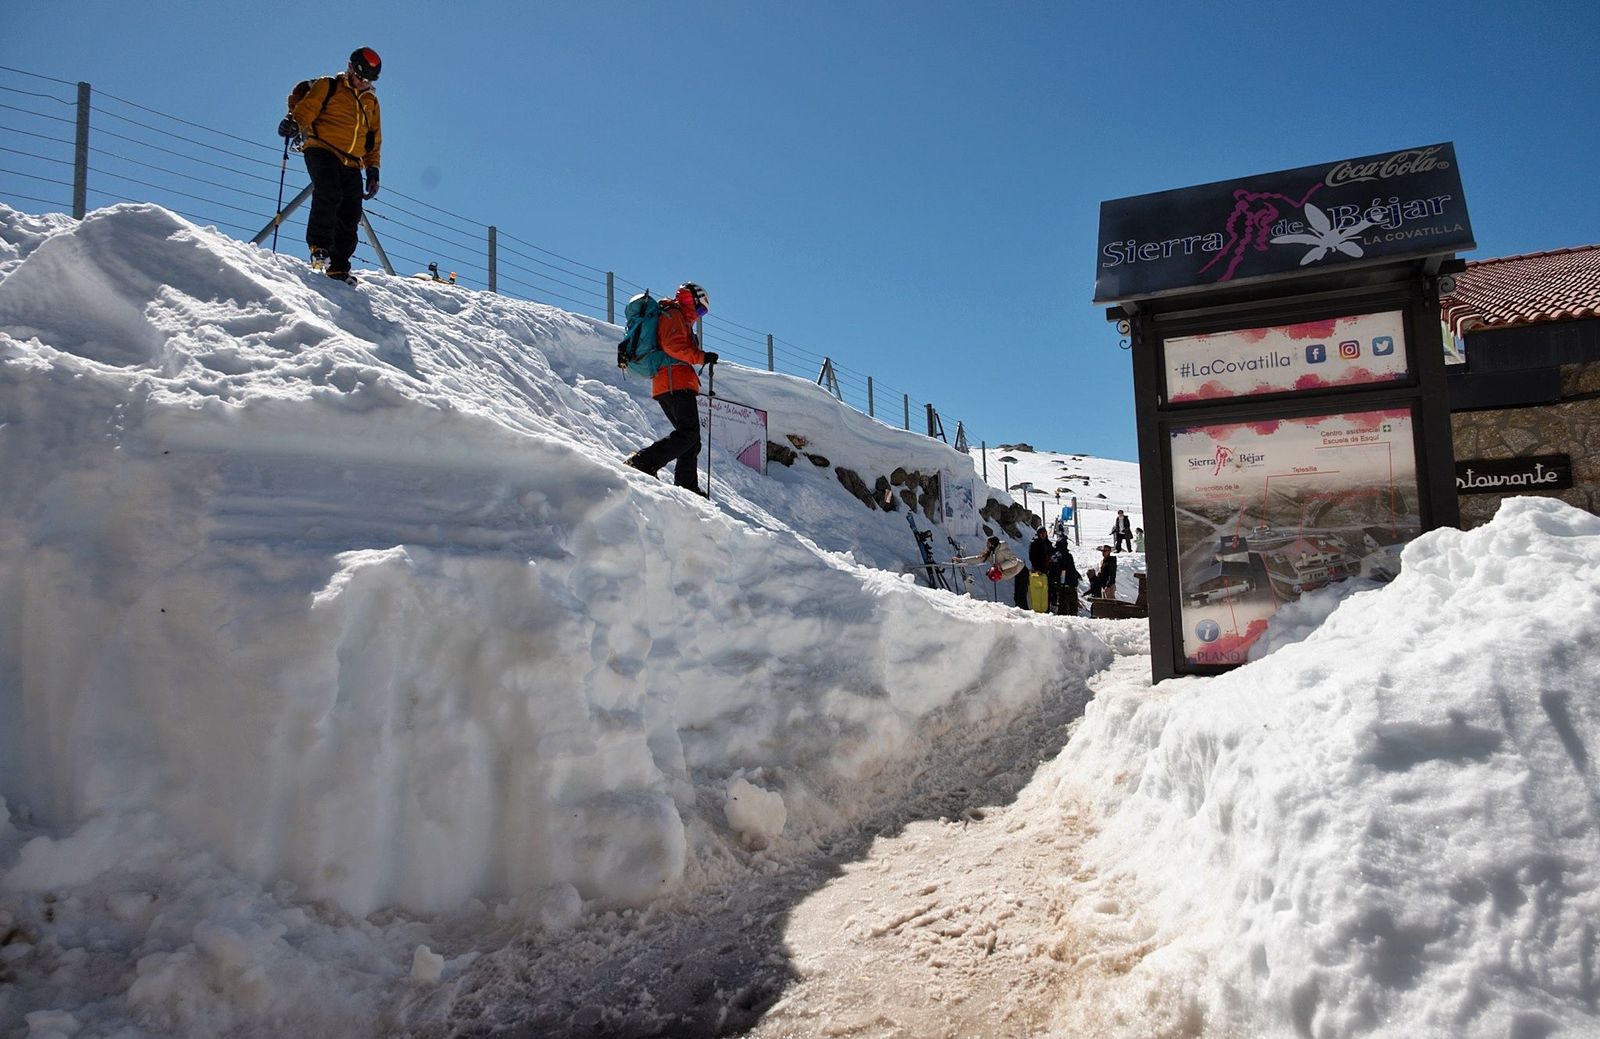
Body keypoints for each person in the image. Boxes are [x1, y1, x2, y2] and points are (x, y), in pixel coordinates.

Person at [280, 48, 384, 282]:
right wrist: (295, 124)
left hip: (353, 160)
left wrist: (373, 170)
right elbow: (308, 109)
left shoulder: (371, 103)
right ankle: (319, 248)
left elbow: (374, 139)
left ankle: (338, 267)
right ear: (350, 67)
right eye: (360, 76)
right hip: (322, 148)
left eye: (369, 79)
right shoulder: (329, 86)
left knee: (351, 210)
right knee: (329, 191)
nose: (363, 82)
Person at [624, 283, 716, 495]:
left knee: (691, 438)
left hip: (674, 382)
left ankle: (687, 486)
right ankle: (643, 462)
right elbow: (673, 347)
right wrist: (702, 356)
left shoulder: (679, 318)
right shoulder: (673, 314)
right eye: (700, 309)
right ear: (690, 299)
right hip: (674, 381)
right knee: (688, 433)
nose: (699, 315)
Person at [955, 535, 1028, 609]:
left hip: (1021, 570)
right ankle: (1020, 612)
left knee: (1020, 595)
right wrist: (962, 560)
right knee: (1017, 596)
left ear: (993, 544)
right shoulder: (991, 552)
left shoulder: (1003, 550)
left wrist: (1000, 566)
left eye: (988, 543)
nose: (987, 545)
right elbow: (979, 558)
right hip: (1014, 572)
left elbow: (1014, 561)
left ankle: (1025, 613)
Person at [1051, 530, 1079, 615]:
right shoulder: (1067, 556)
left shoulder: (1054, 556)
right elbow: (1072, 570)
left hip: (1057, 584)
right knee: (1072, 605)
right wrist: (1075, 582)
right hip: (1069, 584)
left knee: (1061, 604)